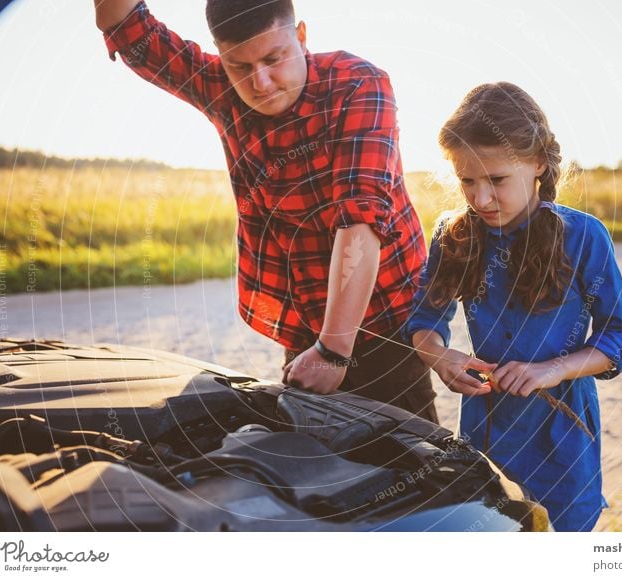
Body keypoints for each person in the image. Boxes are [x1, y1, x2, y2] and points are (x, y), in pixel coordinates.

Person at [94, 0, 438, 422]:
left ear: (302, 36)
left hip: (386, 315)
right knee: (315, 461)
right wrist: (322, 348)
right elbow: (128, 28)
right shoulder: (222, 89)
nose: (260, 82)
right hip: (307, 320)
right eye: (240, 67)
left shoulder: (356, 85)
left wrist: (334, 350)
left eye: (274, 59)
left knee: (417, 460)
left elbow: (360, 217)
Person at [404, 82, 622, 531]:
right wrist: (439, 356)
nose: (480, 198)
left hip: (562, 435)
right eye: (466, 181)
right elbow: (424, 320)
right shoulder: (452, 235)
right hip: (484, 431)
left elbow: (621, 337)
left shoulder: (583, 236)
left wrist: (552, 370)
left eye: (496, 180)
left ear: (537, 164)